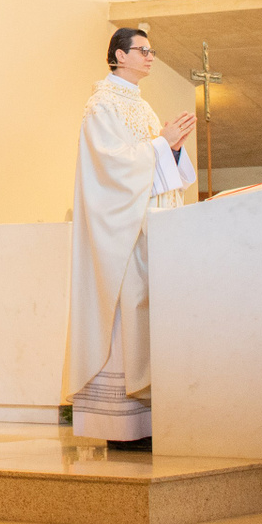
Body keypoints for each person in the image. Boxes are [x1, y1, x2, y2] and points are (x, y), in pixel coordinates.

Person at [64, 27, 196, 451]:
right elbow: (111, 168)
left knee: (151, 321)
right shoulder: (101, 105)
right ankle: (121, 427)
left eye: (152, 51)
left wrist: (172, 149)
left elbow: (156, 163)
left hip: (149, 230)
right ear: (119, 55)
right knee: (126, 318)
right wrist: (161, 144)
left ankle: (151, 421)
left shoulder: (141, 105)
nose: (150, 56)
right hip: (122, 235)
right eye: (143, 50)